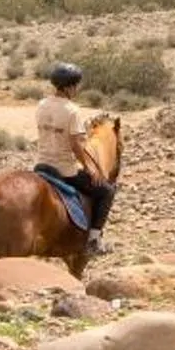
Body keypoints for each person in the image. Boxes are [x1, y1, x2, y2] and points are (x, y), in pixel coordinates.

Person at [34, 61, 114, 251]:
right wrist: (89, 167)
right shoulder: (72, 110)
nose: (77, 89)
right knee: (106, 191)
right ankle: (94, 240)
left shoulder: (42, 104)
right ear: (69, 87)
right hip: (64, 170)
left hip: (42, 164)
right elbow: (76, 145)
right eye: (76, 85)